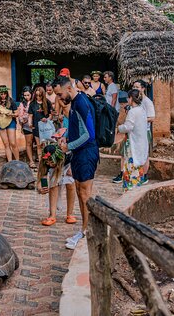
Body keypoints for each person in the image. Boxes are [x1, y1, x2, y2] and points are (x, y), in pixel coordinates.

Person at [53, 76, 100, 250]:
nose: (58, 98)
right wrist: (65, 138)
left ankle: (88, 233)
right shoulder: (73, 104)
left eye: (59, 94)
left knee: (85, 194)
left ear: (68, 88)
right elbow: (77, 130)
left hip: (87, 153)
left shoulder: (81, 103)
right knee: (80, 192)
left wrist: (68, 147)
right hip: (79, 154)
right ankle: (84, 230)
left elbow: (89, 134)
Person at [36, 143, 77, 226]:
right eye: (47, 162)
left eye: (51, 162)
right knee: (53, 186)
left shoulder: (67, 155)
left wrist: (73, 168)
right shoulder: (46, 163)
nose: (49, 164)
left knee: (70, 185)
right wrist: (41, 187)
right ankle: (52, 215)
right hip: (55, 170)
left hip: (68, 165)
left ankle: (70, 214)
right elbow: (43, 176)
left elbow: (76, 156)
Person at [117, 90, 149, 191]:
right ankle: (136, 187)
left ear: (131, 98)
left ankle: (130, 189)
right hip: (141, 142)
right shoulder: (142, 110)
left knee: (130, 165)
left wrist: (119, 128)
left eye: (128, 97)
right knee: (138, 166)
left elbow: (128, 127)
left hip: (133, 143)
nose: (127, 100)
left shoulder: (132, 111)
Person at [133, 79, 155, 184]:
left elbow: (152, 117)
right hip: (136, 132)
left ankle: (144, 176)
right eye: (134, 87)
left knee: (145, 154)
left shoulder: (147, 102)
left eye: (137, 87)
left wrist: (140, 119)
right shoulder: (137, 101)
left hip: (144, 131)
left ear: (143, 88)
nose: (135, 89)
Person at [0, 85, 19, 161]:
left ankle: (18, 162)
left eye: (4, 94)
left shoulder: (11, 101)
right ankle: (10, 162)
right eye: (1, 94)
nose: (3, 96)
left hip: (10, 122)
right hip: (0, 123)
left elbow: (16, 114)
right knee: (6, 144)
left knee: (13, 143)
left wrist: (10, 114)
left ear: (7, 93)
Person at [29, 86, 54, 161]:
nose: (38, 97)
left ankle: (48, 161)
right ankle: (40, 162)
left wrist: (47, 119)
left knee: (46, 145)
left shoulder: (47, 102)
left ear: (42, 95)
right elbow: (30, 115)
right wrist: (30, 124)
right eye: (36, 95)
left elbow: (51, 115)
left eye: (40, 95)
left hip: (46, 128)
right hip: (36, 127)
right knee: (39, 145)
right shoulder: (32, 103)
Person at [17, 86, 36, 168]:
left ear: (31, 94)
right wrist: (23, 120)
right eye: (25, 95)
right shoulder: (22, 104)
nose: (26, 97)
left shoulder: (34, 102)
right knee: (29, 143)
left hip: (35, 124)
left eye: (28, 95)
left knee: (38, 143)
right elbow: (20, 116)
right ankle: (31, 161)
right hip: (26, 125)